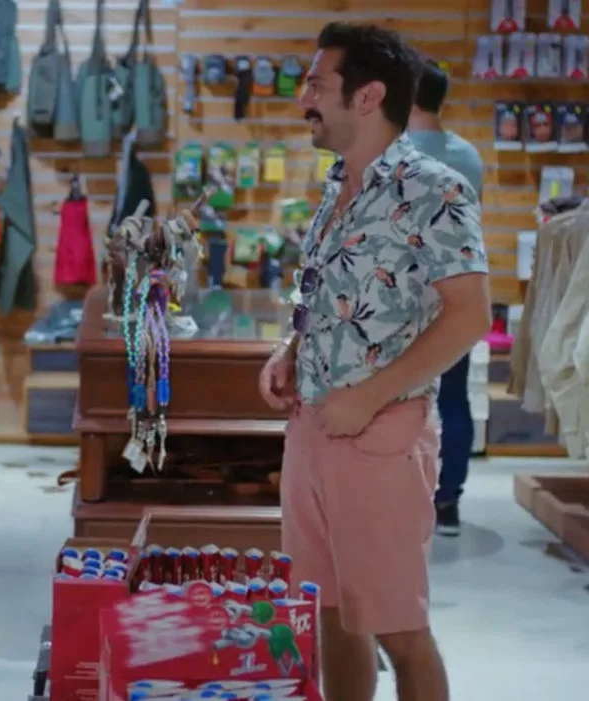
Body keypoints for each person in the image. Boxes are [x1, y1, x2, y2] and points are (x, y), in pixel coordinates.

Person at [259, 23, 491, 701]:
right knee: (330, 613)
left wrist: (368, 396)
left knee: (399, 629)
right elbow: (328, 292)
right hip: (312, 428)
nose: (304, 99)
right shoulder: (338, 185)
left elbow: (469, 316)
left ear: (367, 97)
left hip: (379, 436)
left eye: (316, 84)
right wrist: (290, 349)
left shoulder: (435, 189)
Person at [408, 59, 486, 537]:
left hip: (402, 301)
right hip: (457, 291)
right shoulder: (469, 157)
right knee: (454, 399)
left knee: (397, 399)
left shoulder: (392, 155)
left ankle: (402, 497)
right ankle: (449, 499)